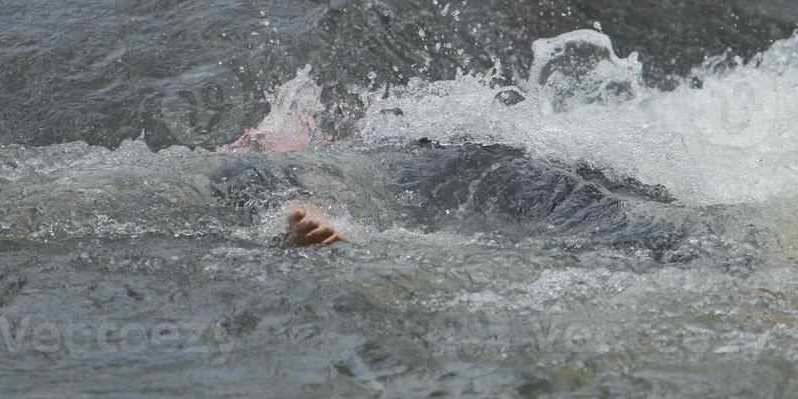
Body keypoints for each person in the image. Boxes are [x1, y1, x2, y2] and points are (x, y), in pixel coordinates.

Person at [216, 118, 686, 256]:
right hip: (501, 169)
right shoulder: (366, 147)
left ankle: (720, 265)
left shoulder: (378, 138)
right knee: (606, 214)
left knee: (598, 210)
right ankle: (726, 268)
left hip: (496, 166)